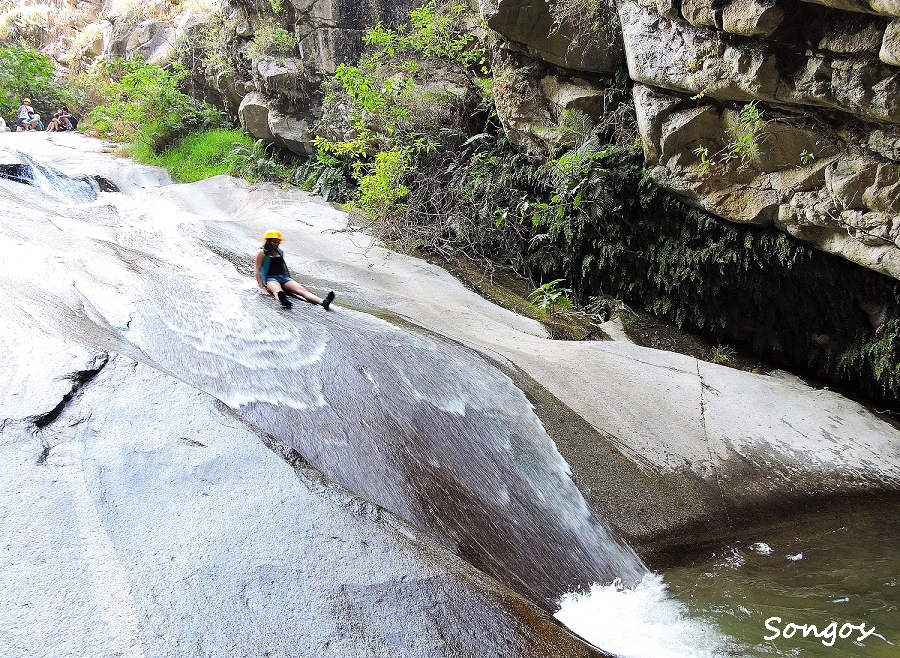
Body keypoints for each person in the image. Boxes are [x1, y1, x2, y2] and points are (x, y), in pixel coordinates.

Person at [255, 229, 335, 310]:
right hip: (270, 278)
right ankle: (284, 301)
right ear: (268, 241)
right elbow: (257, 270)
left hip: (283, 277)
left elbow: (282, 267)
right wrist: (262, 287)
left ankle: (323, 302)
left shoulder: (280, 251)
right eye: (273, 241)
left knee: (302, 290)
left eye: (278, 241)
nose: (276, 243)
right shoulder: (261, 252)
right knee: (277, 291)